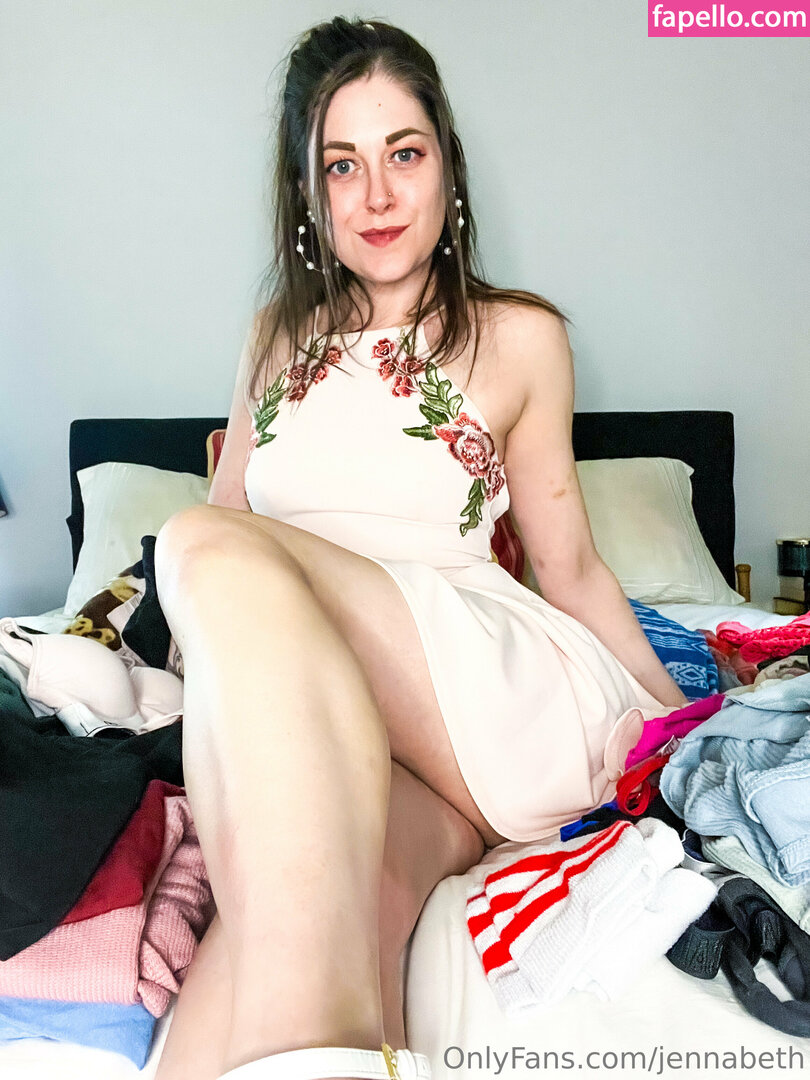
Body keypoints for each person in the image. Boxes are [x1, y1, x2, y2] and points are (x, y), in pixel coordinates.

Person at [152, 16, 688, 1080]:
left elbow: (570, 568)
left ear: (448, 165)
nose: (378, 196)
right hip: (350, 726)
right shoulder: (274, 338)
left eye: (404, 153)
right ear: (308, 194)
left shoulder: (520, 336)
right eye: (341, 166)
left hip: (482, 695)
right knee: (296, 925)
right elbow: (229, 521)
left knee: (204, 541)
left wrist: (677, 730)